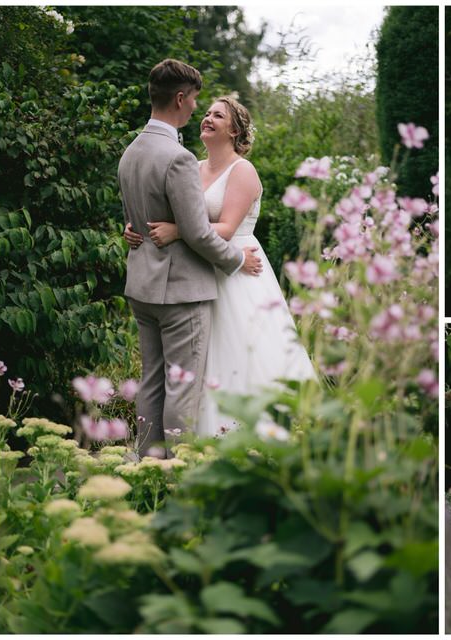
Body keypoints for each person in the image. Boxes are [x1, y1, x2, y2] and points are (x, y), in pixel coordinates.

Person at [125, 95, 314, 436]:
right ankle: (190, 443)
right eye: (207, 112)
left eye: (218, 115)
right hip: (196, 269)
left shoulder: (242, 170)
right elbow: (171, 215)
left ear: (235, 130)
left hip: (237, 270)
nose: (207, 118)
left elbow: (226, 227)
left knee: (236, 355)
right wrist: (137, 226)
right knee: (197, 363)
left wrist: (179, 231)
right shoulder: (192, 166)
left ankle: (246, 437)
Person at [119, 59, 263, 456]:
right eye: (197, 101)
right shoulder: (179, 158)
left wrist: (131, 231)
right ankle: (176, 475)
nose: (198, 109)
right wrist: (237, 261)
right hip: (180, 290)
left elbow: (136, 217)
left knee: (151, 381)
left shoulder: (131, 151)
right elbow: (198, 232)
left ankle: (145, 462)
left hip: (142, 286)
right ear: (180, 99)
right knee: (182, 385)